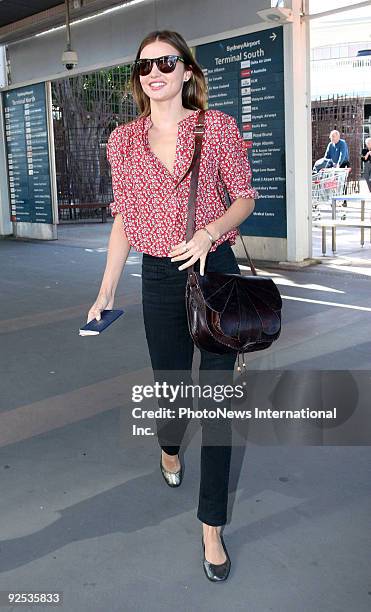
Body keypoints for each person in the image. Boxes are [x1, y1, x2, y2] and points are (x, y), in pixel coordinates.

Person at [87, 29, 258, 582]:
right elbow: (123, 218)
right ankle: (167, 446)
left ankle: (211, 526)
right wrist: (108, 287)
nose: (154, 72)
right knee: (170, 387)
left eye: (166, 62)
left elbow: (245, 196)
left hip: (216, 272)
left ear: (187, 70)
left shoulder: (218, 127)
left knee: (218, 405)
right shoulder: (123, 141)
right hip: (159, 278)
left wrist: (210, 231)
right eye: (143, 66)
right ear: (138, 79)